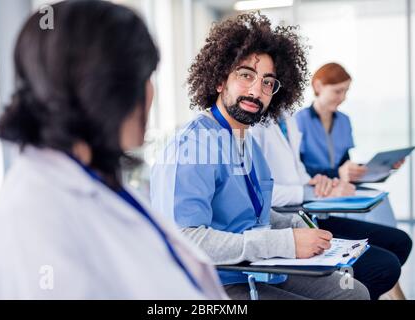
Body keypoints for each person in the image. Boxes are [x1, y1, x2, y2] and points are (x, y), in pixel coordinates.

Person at [0, 0, 227, 299]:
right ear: (102, 89)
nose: (150, 93)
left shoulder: (94, 176)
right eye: (144, 78)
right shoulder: (34, 219)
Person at [150, 13, 370, 300]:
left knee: (353, 293)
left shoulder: (245, 140)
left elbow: (251, 213)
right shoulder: (193, 144)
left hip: (253, 267)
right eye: (245, 75)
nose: (257, 91)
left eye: (268, 82)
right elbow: (185, 240)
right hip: (212, 284)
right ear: (219, 81)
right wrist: (283, 243)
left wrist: (294, 225)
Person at [251, 113, 413, 300]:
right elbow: (262, 194)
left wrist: (321, 184)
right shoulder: (256, 125)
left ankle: (357, 290)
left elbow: (300, 174)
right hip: (290, 215)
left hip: (310, 210)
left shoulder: (288, 118)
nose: (341, 96)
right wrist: (313, 189)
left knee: (399, 241)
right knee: (383, 267)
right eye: (337, 91)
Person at [295, 62, 404, 228]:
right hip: (316, 191)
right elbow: (297, 170)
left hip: (340, 187)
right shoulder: (298, 122)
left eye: (346, 91)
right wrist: (339, 173)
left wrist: (383, 168)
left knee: (380, 199)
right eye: (338, 91)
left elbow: (345, 163)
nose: (343, 97)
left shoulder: (344, 121)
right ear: (318, 86)